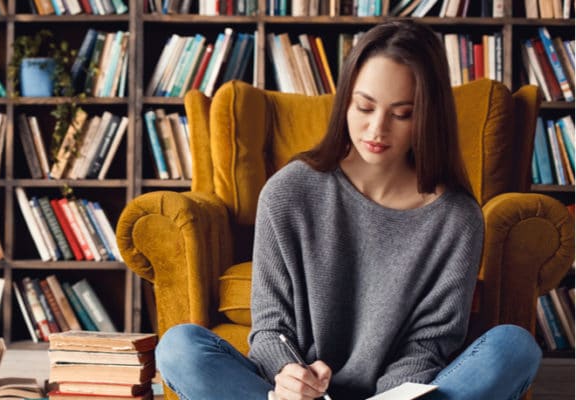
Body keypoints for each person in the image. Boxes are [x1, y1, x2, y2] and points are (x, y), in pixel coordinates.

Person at [154, 20, 542, 400]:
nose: (377, 129)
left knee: (514, 347)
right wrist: (290, 377)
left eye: (402, 113)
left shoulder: (456, 217)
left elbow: (428, 345)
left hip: (396, 396)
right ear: (346, 102)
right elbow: (270, 327)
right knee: (179, 347)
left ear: (428, 116)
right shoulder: (289, 191)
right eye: (364, 106)